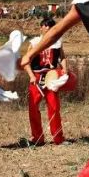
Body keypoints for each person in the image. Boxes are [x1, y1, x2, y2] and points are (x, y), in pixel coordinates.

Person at [26, 18, 66, 146]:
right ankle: (37, 138)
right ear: (40, 28)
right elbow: (26, 60)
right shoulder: (34, 42)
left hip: (52, 75)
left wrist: (65, 69)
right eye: (44, 25)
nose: (47, 28)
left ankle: (58, 138)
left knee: (54, 107)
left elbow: (62, 57)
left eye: (50, 26)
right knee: (33, 107)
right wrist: (31, 75)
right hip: (37, 75)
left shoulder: (57, 42)